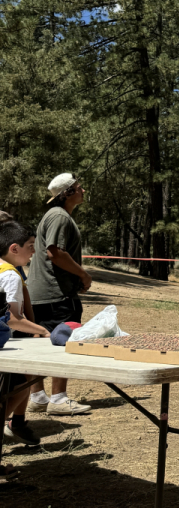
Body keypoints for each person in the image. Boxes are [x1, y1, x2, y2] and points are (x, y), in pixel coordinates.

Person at [26, 174, 93, 416]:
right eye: (78, 187)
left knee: (38, 344)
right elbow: (55, 253)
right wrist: (83, 275)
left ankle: (37, 397)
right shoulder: (60, 217)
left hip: (43, 294)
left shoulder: (54, 215)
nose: (83, 190)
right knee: (63, 341)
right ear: (68, 192)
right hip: (57, 295)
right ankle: (58, 399)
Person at [0, 220, 51, 446]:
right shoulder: (10, 275)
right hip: (6, 345)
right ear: (14, 248)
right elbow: (11, 317)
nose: (34, 252)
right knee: (21, 387)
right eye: (30, 246)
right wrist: (43, 330)